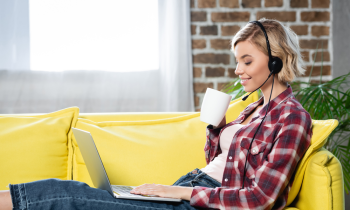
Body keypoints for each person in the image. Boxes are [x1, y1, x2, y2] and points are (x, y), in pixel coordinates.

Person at [0, 18, 313, 210]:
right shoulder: (252, 108)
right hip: (190, 188)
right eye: (237, 60)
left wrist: (177, 192)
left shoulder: (292, 119)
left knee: (69, 194)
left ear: (275, 61)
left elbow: (260, 199)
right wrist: (216, 130)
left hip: (196, 201)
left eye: (247, 61)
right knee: (88, 196)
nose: (237, 70)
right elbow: (219, 165)